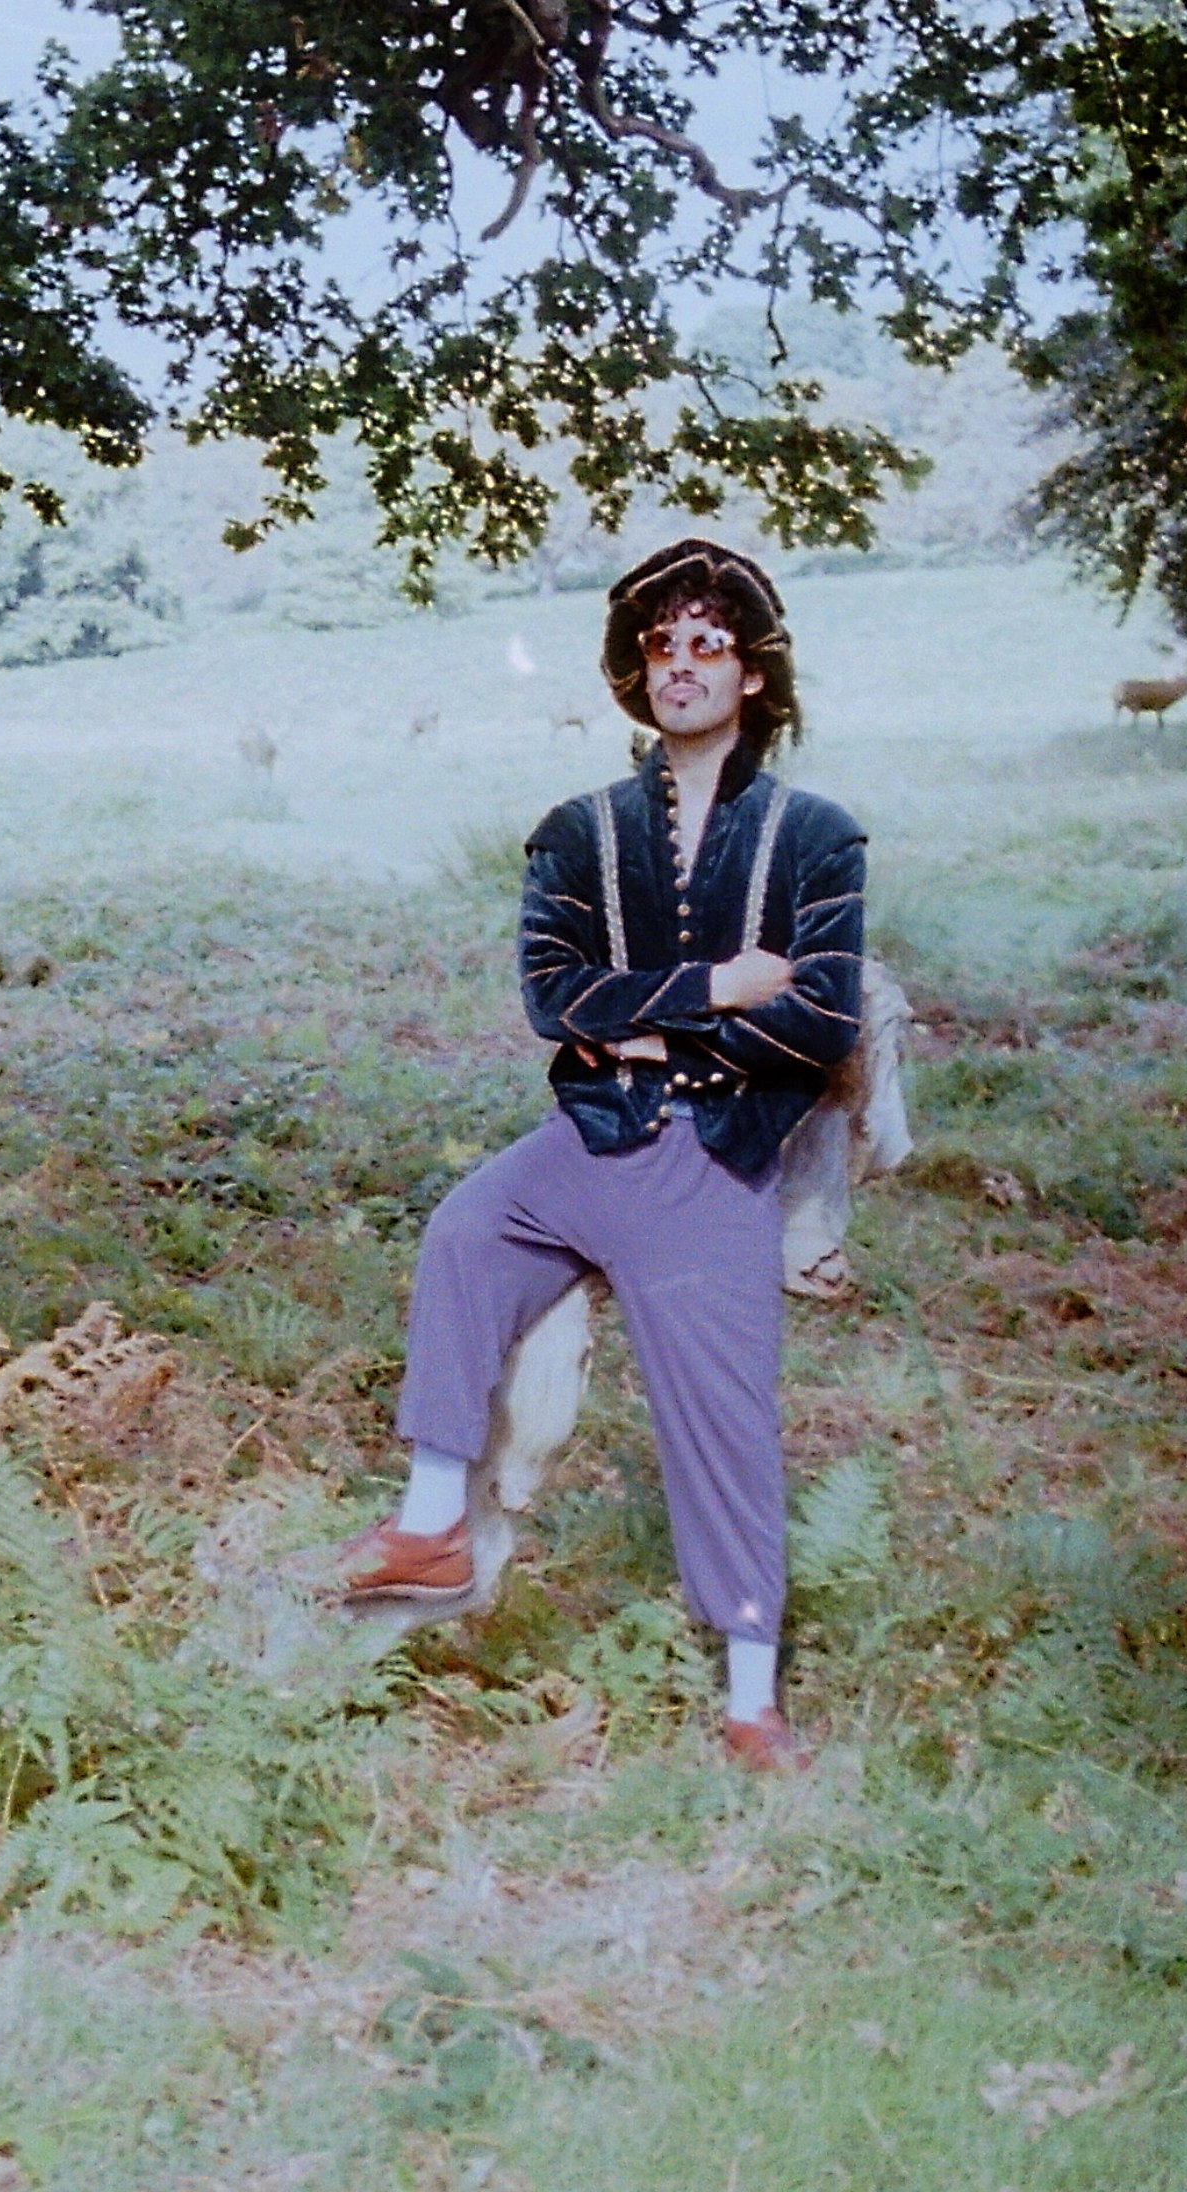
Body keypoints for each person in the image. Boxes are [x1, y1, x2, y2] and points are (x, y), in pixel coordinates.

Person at [340, 539, 865, 1774]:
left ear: (751, 672)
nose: (681, 664)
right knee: (469, 1229)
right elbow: (553, 999)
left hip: (709, 1163)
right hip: (588, 1138)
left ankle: (750, 1704)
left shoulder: (816, 835)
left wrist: (647, 1022)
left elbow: (824, 1018)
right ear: (639, 672)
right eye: (660, 645)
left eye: (708, 644)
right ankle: (432, 1526)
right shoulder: (577, 831)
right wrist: (717, 987)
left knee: (726, 1425)